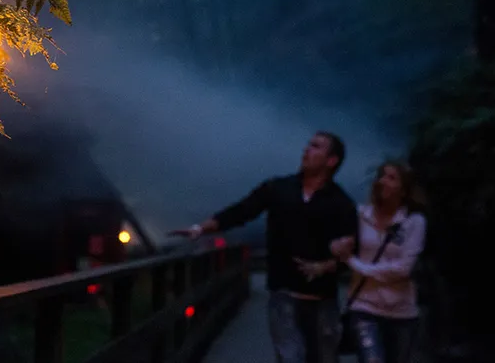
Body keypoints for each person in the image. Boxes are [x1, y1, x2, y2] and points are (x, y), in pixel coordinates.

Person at [171, 132, 357, 363]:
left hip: (323, 298)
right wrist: (200, 229)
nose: (307, 149)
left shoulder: (341, 203)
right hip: (284, 294)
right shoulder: (278, 188)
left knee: (324, 358)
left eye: (316, 146)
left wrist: (327, 265)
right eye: (308, 144)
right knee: (290, 357)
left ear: (331, 160)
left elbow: (353, 249)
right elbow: (242, 211)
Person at [329, 160, 426, 363]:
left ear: (404, 189)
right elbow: (336, 240)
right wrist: (338, 247)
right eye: (381, 175)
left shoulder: (413, 222)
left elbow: (403, 268)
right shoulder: (360, 216)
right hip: (365, 307)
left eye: (391, 178)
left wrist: (356, 264)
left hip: (402, 311)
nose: (383, 181)